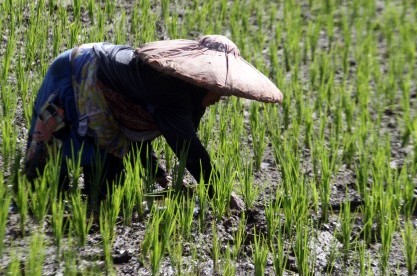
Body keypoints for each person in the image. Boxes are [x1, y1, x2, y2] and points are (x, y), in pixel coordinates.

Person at [24, 35, 283, 206]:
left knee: (108, 180)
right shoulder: (171, 93)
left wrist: (160, 176)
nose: (221, 97)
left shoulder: (188, 96)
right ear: (205, 82)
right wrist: (220, 193)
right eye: (220, 90)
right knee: (56, 164)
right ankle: (44, 198)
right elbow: (189, 150)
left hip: (92, 73)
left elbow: (138, 131)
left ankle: (84, 208)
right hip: (78, 72)